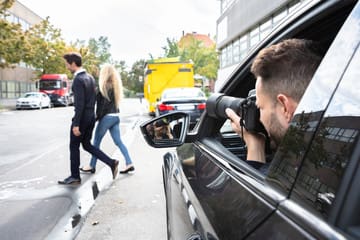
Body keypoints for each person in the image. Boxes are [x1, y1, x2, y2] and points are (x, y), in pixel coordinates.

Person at [226, 39, 322, 173]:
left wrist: (255, 148)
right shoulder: (324, 148)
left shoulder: (295, 167)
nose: (259, 119)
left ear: (285, 108)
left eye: (261, 107)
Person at [58, 53, 119, 185]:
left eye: (67, 63)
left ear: (73, 63)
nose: (67, 66)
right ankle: (111, 162)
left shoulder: (78, 80)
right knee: (86, 145)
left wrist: (76, 124)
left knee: (74, 146)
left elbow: (79, 104)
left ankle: (75, 176)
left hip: (82, 119)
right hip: (90, 118)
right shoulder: (90, 78)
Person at [79, 64, 134, 174]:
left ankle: (91, 165)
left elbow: (102, 106)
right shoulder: (116, 86)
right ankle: (129, 163)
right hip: (116, 116)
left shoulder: (103, 86)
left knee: (95, 142)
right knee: (118, 142)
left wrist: (96, 118)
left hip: (107, 117)